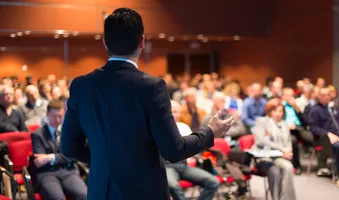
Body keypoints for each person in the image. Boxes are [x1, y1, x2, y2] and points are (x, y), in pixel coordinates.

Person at [60, 8, 233, 200]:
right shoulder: (152, 87)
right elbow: (174, 150)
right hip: (144, 192)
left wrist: (105, 159)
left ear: (105, 42)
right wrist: (210, 132)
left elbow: (68, 147)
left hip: (101, 192)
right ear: (142, 41)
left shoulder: (81, 85)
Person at [31, 100, 87, 200]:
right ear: (47, 114)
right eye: (54, 116)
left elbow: (73, 157)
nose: (57, 120)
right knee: (57, 198)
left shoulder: (69, 132)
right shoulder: (37, 134)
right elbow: (39, 162)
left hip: (68, 171)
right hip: (47, 174)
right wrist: (63, 157)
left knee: (84, 195)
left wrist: (50, 157)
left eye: (60, 116)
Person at [166, 101, 219, 200]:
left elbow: (194, 146)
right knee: (172, 185)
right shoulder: (162, 129)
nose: (176, 114)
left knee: (213, 182)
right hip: (169, 166)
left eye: (178, 112)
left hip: (184, 165)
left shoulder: (183, 126)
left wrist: (193, 156)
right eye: (173, 111)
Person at [252, 98, 297, 200]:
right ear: (269, 111)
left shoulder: (284, 124)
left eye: (280, 111)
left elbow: (288, 142)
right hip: (265, 157)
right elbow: (260, 141)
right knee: (284, 168)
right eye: (275, 111)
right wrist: (281, 149)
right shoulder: (262, 121)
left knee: (282, 169)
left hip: (280, 157)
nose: (278, 114)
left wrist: (288, 152)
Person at [309, 87, 339, 188]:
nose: (326, 97)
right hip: (325, 139)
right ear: (319, 96)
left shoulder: (334, 108)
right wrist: (328, 134)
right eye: (323, 95)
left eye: (328, 95)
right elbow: (313, 128)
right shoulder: (315, 110)